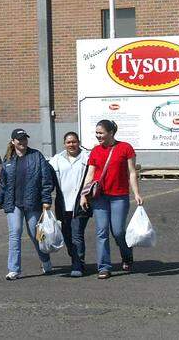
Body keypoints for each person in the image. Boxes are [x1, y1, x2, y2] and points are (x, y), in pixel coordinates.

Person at [78, 119, 144, 279]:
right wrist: (83, 195)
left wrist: (136, 193)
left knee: (118, 231)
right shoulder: (95, 151)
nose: (98, 136)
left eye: (101, 133)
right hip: (99, 197)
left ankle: (127, 255)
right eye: (96, 133)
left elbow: (132, 172)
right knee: (101, 231)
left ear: (111, 133)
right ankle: (104, 267)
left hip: (119, 196)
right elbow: (90, 174)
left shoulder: (125, 148)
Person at [0, 128, 55, 280]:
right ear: (13, 141)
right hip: (13, 203)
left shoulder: (36, 156)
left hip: (32, 202)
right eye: (19, 139)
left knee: (35, 235)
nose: (23, 142)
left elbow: (46, 180)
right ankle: (14, 269)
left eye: (24, 139)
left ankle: (46, 261)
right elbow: (3, 183)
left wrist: (46, 200)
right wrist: (0, 199)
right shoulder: (8, 159)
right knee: (15, 233)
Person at [48, 132, 90, 277]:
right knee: (67, 235)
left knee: (77, 234)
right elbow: (47, 179)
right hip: (62, 205)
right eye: (68, 142)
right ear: (64, 144)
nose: (71, 145)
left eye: (74, 142)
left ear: (79, 142)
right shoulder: (56, 159)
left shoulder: (87, 157)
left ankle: (78, 264)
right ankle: (75, 259)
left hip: (81, 204)